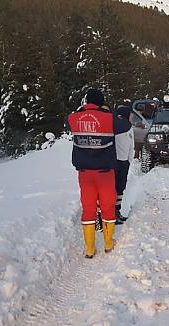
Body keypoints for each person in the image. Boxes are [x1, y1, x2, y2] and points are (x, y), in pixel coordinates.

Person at [67, 88, 124, 258]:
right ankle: (108, 243)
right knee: (107, 206)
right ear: (101, 102)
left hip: (84, 174)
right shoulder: (109, 118)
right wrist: (107, 112)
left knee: (88, 208)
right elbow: (125, 125)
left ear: (86, 102)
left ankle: (90, 249)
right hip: (105, 173)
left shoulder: (74, 117)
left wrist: (81, 111)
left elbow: (67, 122)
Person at [114, 105, 134, 224]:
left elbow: (131, 146)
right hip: (114, 161)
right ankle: (108, 213)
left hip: (124, 162)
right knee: (114, 188)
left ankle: (117, 211)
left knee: (121, 187)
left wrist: (128, 161)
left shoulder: (129, 127)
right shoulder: (116, 126)